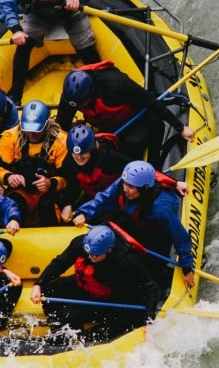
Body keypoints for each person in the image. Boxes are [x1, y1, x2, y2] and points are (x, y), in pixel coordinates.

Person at [72, 160, 195, 289]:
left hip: (155, 234)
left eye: (130, 187)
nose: (125, 189)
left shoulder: (160, 209)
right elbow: (104, 198)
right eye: (125, 184)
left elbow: (180, 238)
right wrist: (84, 213)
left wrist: (187, 268)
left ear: (144, 189)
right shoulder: (124, 184)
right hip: (133, 220)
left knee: (151, 269)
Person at [30, 225, 162, 339]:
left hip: (108, 300)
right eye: (88, 253)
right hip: (86, 285)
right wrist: (38, 284)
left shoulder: (125, 261)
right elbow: (60, 263)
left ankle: (79, 342)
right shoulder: (81, 243)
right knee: (49, 291)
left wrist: (148, 322)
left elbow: (152, 289)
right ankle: (59, 337)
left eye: (95, 255)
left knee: (71, 315)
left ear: (109, 250)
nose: (90, 257)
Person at [55, 64, 195, 160]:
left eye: (82, 103)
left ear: (91, 93)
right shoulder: (71, 96)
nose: (79, 106)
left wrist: (180, 127)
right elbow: (62, 124)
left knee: (131, 145)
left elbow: (149, 101)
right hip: (106, 126)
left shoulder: (115, 84)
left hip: (135, 117)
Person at [57, 124, 188, 222]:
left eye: (83, 153)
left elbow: (140, 169)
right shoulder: (69, 163)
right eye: (75, 153)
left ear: (91, 149)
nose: (79, 157)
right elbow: (72, 185)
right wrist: (67, 203)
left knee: (126, 218)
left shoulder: (109, 157)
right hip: (97, 197)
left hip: (121, 193)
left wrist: (174, 183)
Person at [0, 100, 69, 226]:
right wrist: (9, 177)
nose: (31, 134)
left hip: (48, 192)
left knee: (46, 206)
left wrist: (49, 183)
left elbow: (66, 178)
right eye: (28, 129)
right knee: (15, 204)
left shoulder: (61, 141)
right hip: (21, 191)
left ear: (46, 124)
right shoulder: (9, 138)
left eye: (36, 130)